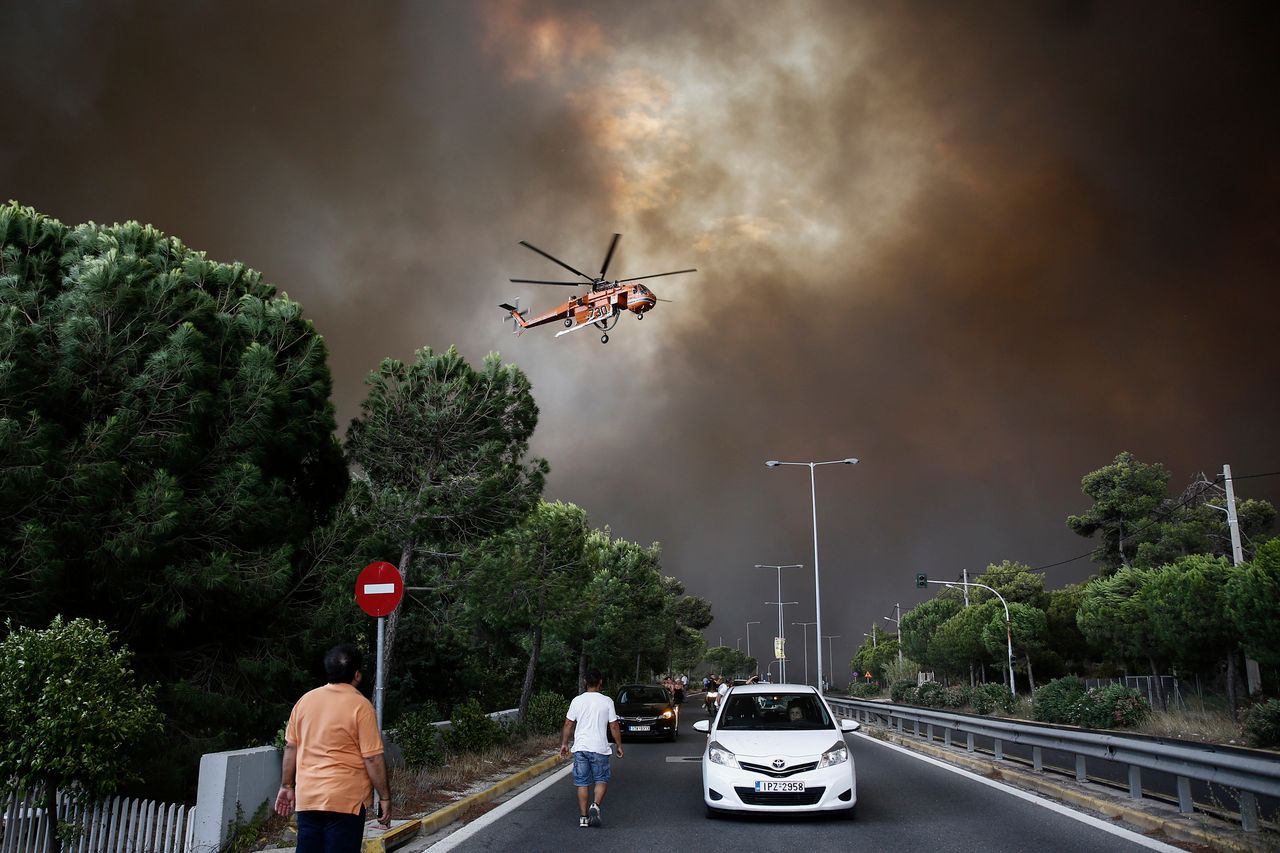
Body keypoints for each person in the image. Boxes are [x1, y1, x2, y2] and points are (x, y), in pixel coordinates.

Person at [276, 644, 391, 853]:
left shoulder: (305, 702)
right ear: (357, 675)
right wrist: (384, 797)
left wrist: (286, 786)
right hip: (346, 802)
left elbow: (291, 747)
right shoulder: (361, 706)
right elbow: (372, 758)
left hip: (308, 799)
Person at [560, 669, 623, 828]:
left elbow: (568, 724)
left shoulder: (576, 701)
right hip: (599, 748)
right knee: (601, 779)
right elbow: (614, 725)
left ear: (585, 682)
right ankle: (595, 805)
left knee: (582, 782)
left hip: (580, 747)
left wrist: (564, 744)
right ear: (601, 682)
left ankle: (583, 818)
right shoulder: (607, 701)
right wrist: (619, 745)